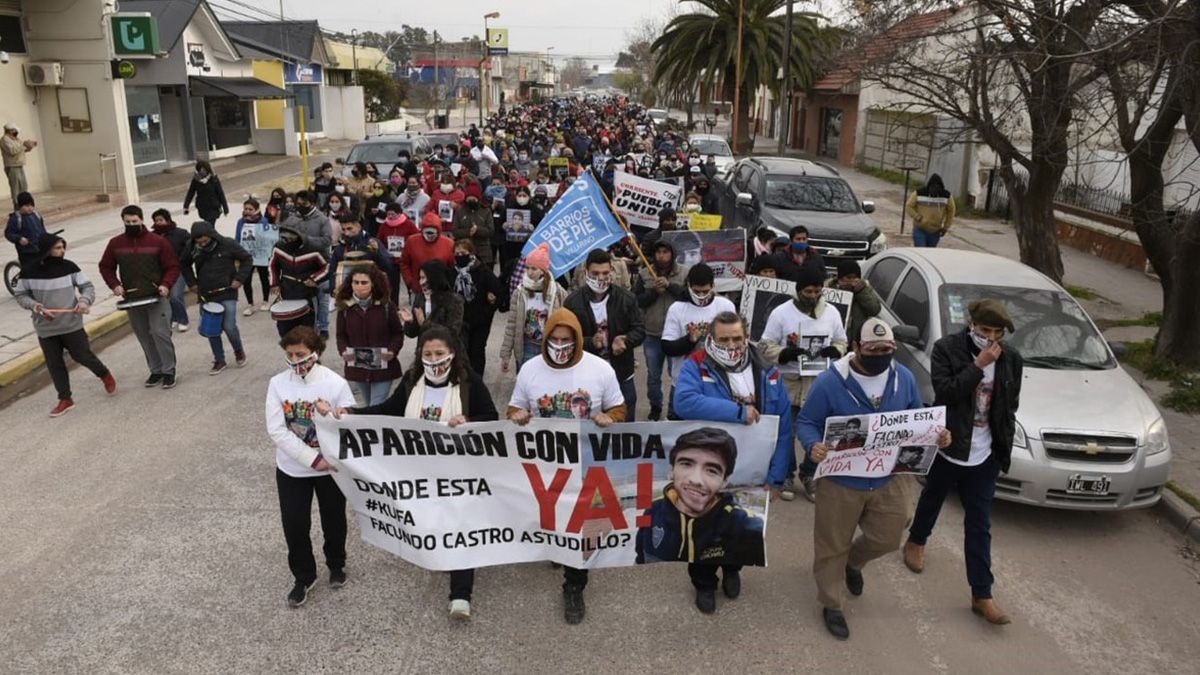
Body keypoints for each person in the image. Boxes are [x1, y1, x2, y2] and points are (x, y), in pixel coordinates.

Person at [319, 325, 498, 619]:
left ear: (453, 353)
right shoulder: (413, 380)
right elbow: (388, 410)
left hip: (459, 473)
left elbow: (491, 417)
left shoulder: (469, 382)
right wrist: (351, 415)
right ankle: (439, 557)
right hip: (419, 473)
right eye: (428, 354)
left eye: (439, 353)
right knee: (433, 522)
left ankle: (460, 595)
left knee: (460, 527)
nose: (434, 359)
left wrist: (468, 420)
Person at [797, 318, 953, 640]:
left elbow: (916, 418)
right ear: (856, 347)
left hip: (888, 476)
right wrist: (813, 445)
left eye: (887, 349)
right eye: (873, 349)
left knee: (888, 537)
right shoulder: (830, 382)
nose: (881, 355)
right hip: (841, 480)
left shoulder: (903, 377)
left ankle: (853, 563)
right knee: (831, 545)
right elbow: (807, 421)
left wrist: (937, 435)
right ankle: (832, 603)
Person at [904, 299, 1022, 625]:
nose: (991, 338)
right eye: (985, 330)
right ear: (971, 324)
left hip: (985, 454)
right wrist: (978, 366)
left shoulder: (1012, 358)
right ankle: (916, 540)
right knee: (933, 496)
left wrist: (1001, 448)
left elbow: (1009, 405)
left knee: (979, 523)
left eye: (998, 333)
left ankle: (982, 594)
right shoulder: (947, 349)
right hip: (950, 445)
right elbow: (945, 392)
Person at [507, 308, 626, 624]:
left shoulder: (600, 369)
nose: (560, 346)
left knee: (579, 528)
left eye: (566, 340)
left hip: (585, 466)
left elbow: (619, 407)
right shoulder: (530, 369)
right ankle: (555, 547)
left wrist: (610, 417)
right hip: (545, 467)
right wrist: (517, 416)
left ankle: (574, 586)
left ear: (577, 340)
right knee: (553, 520)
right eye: (555, 340)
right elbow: (514, 407)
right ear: (545, 338)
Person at [670, 312, 792, 611]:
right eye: (724, 339)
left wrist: (777, 478)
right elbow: (683, 402)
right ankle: (704, 582)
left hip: (753, 469)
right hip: (710, 469)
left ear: (746, 336)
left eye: (737, 338)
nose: (732, 345)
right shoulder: (696, 365)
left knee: (739, 525)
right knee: (704, 528)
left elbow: (784, 428)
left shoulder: (768, 371)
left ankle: (733, 569)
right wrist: (737, 412)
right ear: (711, 338)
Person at [265, 326, 356, 608]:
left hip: (331, 469)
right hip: (293, 469)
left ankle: (336, 563)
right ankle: (303, 576)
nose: (295, 361)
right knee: (295, 524)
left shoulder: (335, 383)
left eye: (301, 354)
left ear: (315, 353)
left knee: (334, 519)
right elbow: (277, 430)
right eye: (290, 354)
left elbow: (350, 423)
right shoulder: (277, 384)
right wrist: (313, 459)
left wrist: (336, 415)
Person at [633, 427, 766, 603]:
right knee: (701, 567)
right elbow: (642, 542)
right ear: (672, 469)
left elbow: (754, 531)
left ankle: (731, 570)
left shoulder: (738, 519)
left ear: (724, 481)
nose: (696, 480)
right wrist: (640, 561)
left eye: (712, 470)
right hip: (699, 566)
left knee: (732, 554)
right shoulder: (654, 510)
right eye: (686, 464)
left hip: (729, 554)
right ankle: (705, 587)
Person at [760, 265, 848, 500]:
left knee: (819, 431)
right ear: (799, 290)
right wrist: (784, 353)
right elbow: (764, 345)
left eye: (817, 291)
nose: (813, 296)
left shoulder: (832, 313)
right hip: (788, 381)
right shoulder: (781, 313)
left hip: (818, 383)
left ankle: (809, 473)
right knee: (785, 432)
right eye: (808, 291)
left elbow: (842, 341)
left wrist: (835, 350)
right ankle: (786, 474)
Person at [14, 232, 116, 416]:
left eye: (63, 247)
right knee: (55, 364)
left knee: (83, 356)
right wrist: (35, 306)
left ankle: (104, 374)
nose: (62, 251)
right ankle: (65, 399)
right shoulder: (28, 271)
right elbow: (21, 295)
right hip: (45, 327)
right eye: (58, 248)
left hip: (71, 324)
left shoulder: (70, 267)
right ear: (46, 250)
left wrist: (84, 301)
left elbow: (87, 287)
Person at [98, 205, 181, 389]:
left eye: (134, 221)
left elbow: (173, 266)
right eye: (127, 222)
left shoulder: (158, 241)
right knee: (144, 335)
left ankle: (169, 371)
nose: (131, 224)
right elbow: (105, 266)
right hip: (132, 299)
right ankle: (156, 370)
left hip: (156, 297)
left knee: (160, 333)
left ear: (142, 220)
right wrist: (115, 284)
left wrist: (166, 284)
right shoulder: (115, 243)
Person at [563, 249, 645, 420]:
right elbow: (566, 339)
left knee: (626, 421)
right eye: (595, 273)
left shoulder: (626, 298)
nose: (601, 278)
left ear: (612, 271)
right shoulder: (572, 302)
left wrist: (626, 341)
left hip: (622, 372)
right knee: (590, 422)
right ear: (586, 272)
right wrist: (590, 342)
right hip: (587, 374)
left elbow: (639, 330)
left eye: (605, 273)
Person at [661, 263, 737, 415]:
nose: (701, 296)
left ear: (713, 286)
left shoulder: (725, 306)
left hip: (718, 382)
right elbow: (667, 347)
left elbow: (736, 343)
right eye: (696, 292)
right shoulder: (677, 308)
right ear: (688, 286)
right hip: (685, 382)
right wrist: (689, 341)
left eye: (705, 291)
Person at [181, 221, 252, 374]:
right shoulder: (191, 247)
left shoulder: (227, 244)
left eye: (205, 241)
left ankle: (238, 350)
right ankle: (219, 359)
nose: (202, 244)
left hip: (227, 292)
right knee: (212, 328)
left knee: (229, 326)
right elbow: (184, 265)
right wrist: (192, 283)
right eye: (199, 242)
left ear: (212, 236)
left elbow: (247, 259)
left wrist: (239, 279)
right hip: (206, 294)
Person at [633, 239, 688, 421]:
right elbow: (637, 301)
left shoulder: (684, 272)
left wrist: (670, 286)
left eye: (665, 252)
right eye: (658, 252)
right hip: (652, 334)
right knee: (653, 376)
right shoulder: (644, 274)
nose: (662, 256)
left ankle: (674, 409)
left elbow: (689, 296)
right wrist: (653, 292)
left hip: (677, 336)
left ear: (672, 254)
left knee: (677, 376)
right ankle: (655, 407)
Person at [334, 266, 404, 407]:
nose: (359, 286)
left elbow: (397, 333)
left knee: (375, 406)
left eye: (364, 282)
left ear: (373, 284)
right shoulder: (345, 308)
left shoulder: (386, 306)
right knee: (368, 406)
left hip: (383, 368)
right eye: (356, 282)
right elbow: (341, 335)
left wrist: (392, 351)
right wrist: (344, 351)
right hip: (359, 369)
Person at [501, 243, 564, 371]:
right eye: (527, 268)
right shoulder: (520, 292)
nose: (529, 272)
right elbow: (512, 324)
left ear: (543, 270)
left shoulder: (556, 291)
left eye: (534, 269)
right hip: (527, 345)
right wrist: (505, 354)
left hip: (549, 345)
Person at [282, 190, 334, 338]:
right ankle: (306, 325)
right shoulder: (293, 219)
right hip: (300, 265)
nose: (300, 207)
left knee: (322, 298)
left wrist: (305, 240)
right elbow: (283, 235)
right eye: (297, 204)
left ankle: (323, 327)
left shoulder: (322, 220)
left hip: (320, 264)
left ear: (312, 203)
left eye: (303, 204)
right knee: (304, 297)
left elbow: (327, 241)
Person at [268, 223, 329, 337]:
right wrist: (274, 283)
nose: (288, 242)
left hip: (308, 293)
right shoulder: (278, 247)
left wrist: (314, 279)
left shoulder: (315, 248)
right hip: (286, 291)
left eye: (291, 239)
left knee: (308, 331)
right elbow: (272, 265)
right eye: (285, 238)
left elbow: (327, 266)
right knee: (284, 330)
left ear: (300, 237)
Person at [453, 239, 501, 376]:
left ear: (471, 253)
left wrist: (488, 310)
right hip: (460, 320)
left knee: (477, 350)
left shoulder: (482, 270)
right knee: (462, 350)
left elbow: (498, 291)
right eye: (457, 253)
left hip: (480, 320)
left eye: (463, 253)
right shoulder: (452, 272)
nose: (460, 256)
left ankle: (477, 380)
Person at [233, 198, 279, 315]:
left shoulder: (263, 222)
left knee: (264, 278)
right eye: (246, 209)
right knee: (246, 280)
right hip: (246, 256)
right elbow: (237, 238)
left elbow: (268, 239)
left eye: (250, 209)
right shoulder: (241, 222)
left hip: (261, 255)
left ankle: (265, 301)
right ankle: (250, 304)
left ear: (257, 210)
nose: (247, 211)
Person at [151, 209, 194, 331]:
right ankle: (174, 317)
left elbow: (191, 247)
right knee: (167, 296)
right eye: (156, 221)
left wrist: (183, 260)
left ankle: (183, 320)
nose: (158, 223)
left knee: (175, 296)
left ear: (168, 220)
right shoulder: (152, 237)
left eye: (161, 220)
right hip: (160, 271)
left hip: (178, 270)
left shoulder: (181, 234)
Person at [401, 259, 464, 338]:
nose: (420, 282)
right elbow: (412, 333)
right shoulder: (420, 298)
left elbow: (452, 333)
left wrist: (424, 324)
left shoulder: (454, 301)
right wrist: (410, 321)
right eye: (420, 278)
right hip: (424, 345)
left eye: (423, 278)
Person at [825, 261, 882, 343]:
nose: (852, 281)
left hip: (856, 339)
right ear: (840, 279)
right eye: (849, 277)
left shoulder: (864, 289)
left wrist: (861, 291)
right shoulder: (829, 290)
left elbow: (874, 309)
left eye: (855, 278)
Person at [399, 212, 454, 296]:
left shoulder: (449, 244)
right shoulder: (411, 241)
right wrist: (410, 281)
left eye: (432, 232)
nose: (429, 235)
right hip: (418, 289)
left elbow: (451, 267)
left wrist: (447, 285)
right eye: (427, 232)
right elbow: (404, 263)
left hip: (440, 291)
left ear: (438, 231)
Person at [375, 203, 417, 305]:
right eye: (388, 214)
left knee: (409, 281)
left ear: (399, 214)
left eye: (392, 214)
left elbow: (416, 238)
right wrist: (384, 251)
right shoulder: (384, 226)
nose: (390, 216)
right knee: (393, 284)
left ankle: (413, 299)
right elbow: (379, 240)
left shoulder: (408, 224)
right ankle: (394, 305)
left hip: (405, 259)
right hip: (391, 260)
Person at [907, 173, 956, 247]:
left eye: (937, 188)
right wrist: (917, 217)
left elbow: (951, 210)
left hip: (935, 231)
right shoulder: (919, 193)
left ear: (941, 188)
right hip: (920, 229)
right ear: (929, 186)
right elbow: (909, 206)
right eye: (932, 187)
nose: (934, 190)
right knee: (921, 250)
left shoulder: (947, 196)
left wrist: (946, 227)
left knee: (930, 251)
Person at [452, 188, 494, 267]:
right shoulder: (460, 211)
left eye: (473, 199)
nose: (471, 201)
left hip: (483, 252)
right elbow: (455, 231)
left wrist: (477, 230)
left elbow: (491, 230)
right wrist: (469, 232)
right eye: (469, 199)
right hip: (464, 252)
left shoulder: (486, 211)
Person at [5, 191, 46, 268]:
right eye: (26, 206)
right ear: (20, 206)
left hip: (39, 248)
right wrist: (19, 238)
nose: (30, 208)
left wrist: (46, 238)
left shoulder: (37, 215)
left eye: (31, 205)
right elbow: (9, 233)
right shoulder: (16, 219)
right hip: (26, 252)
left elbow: (43, 230)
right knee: (29, 270)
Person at [182, 160, 229, 225]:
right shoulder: (196, 180)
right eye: (201, 170)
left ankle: (209, 231)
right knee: (207, 225)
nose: (202, 172)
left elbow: (220, 193)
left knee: (209, 225)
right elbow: (191, 192)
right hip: (202, 207)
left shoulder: (213, 178)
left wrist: (225, 209)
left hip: (213, 207)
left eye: (204, 170)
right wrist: (186, 206)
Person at [2, 123, 36, 208]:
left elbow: (21, 150)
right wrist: (23, 145)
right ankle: (17, 206)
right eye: (14, 130)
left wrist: (30, 146)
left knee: (23, 186)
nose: (16, 132)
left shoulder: (16, 139)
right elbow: (12, 151)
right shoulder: (5, 139)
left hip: (20, 165)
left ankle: (24, 204)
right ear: (10, 130)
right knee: (16, 188)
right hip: (12, 166)